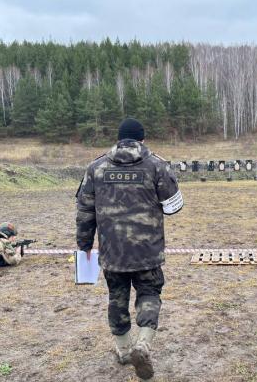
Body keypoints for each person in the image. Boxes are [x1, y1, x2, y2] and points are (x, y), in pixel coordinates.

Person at [76, 117, 183, 381]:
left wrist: (85, 245)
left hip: (113, 253)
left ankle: (124, 351)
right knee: (149, 294)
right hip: (147, 251)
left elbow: (84, 211)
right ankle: (143, 345)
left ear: (118, 139)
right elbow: (173, 206)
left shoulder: (96, 167)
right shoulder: (157, 165)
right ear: (142, 139)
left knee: (117, 298)